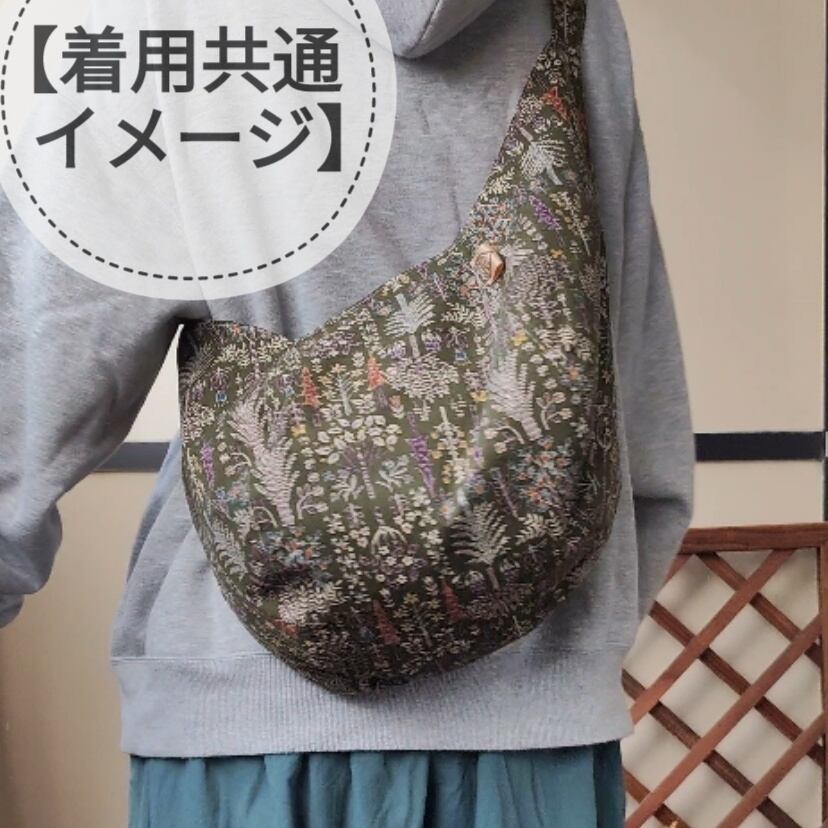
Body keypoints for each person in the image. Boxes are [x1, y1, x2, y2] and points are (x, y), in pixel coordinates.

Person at [0, 0, 695, 825]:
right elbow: (630, 404)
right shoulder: (571, 13)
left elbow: (31, 380)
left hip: (248, 729)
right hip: (536, 744)